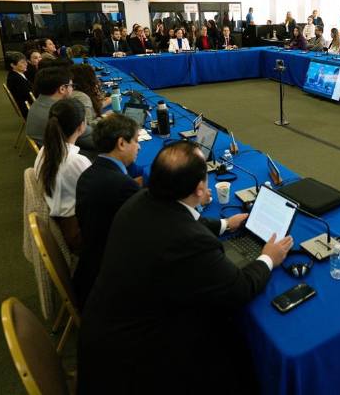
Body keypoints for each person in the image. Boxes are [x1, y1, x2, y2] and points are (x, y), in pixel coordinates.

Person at [76, 142, 293, 393]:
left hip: (103, 334)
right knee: (232, 347)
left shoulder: (140, 200)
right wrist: (268, 258)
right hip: (134, 363)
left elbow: (183, 219)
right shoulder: (189, 241)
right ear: (200, 189)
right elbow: (239, 289)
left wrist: (225, 224)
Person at [73, 114, 142, 305]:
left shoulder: (89, 173)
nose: (139, 147)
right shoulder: (122, 186)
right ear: (121, 143)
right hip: (112, 285)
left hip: (89, 270)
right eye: (136, 141)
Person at [34, 98, 90, 252]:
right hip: (78, 233)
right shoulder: (75, 161)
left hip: (64, 221)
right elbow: (101, 193)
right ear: (81, 126)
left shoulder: (45, 150)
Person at [25, 66, 94, 149]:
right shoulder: (63, 114)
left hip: (48, 149)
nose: (72, 89)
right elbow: (94, 140)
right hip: (67, 153)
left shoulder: (38, 101)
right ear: (62, 89)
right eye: (71, 86)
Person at [5, 52, 32, 117]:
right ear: (13, 65)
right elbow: (28, 94)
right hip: (28, 108)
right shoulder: (16, 79)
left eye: (25, 61)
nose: (26, 64)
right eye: (22, 62)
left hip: (27, 103)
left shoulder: (16, 74)